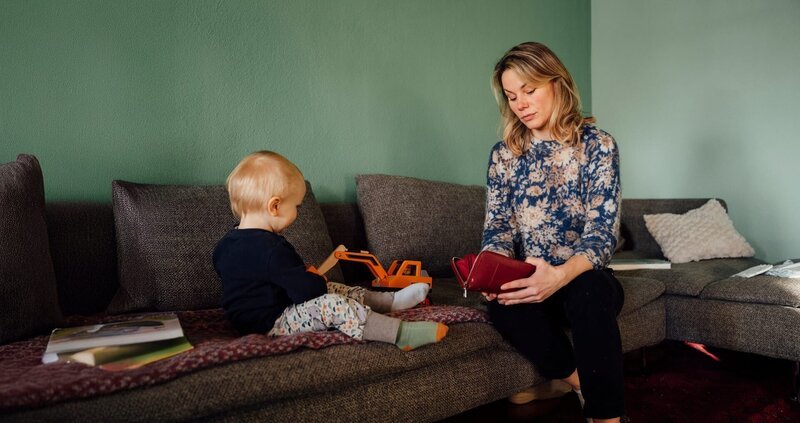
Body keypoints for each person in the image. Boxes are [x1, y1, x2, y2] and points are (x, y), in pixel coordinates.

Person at [481, 42, 624, 423]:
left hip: (582, 276)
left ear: (557, 83)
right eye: (511, 96)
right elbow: (497, 227)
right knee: (500, 306)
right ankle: (579, 382)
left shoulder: (598, 146)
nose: (520, 104)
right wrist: (492, 269)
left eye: (529, 91)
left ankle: (606, 418)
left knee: (590, 293)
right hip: (530, 279)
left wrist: (558, 276)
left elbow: (602, 234)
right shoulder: (504, 155)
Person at [213, 151, 448, 351]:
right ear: (274, 206)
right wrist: (311, 280)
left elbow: (254, 281)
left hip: (244, 321)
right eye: (296, 206)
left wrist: (301, 278)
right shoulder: (271, 248)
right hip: (273, 323)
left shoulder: (224, 246)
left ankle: (390, 301)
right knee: (332, 303)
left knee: (332, 287)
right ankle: (399, 334)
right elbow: (307, 292)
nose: (297, 213)